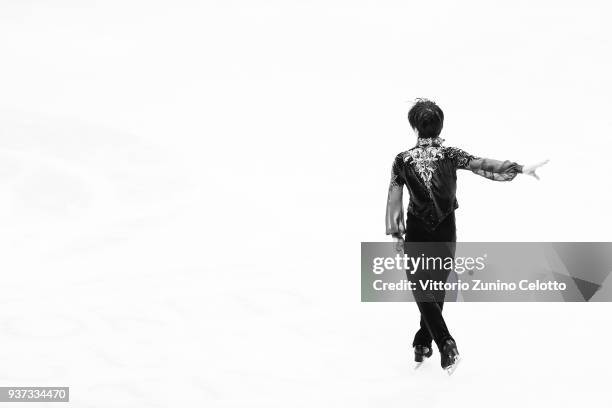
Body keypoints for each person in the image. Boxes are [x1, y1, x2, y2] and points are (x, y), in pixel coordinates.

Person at [385, 99, 547, 374]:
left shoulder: (402, 160)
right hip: (446, 228)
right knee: (437, 287)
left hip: (418, 230)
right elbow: (480, 164)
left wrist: (397, 234)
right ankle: (423, 342)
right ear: (440, 126)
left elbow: (394, 197)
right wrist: (518, 168)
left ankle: (445, 345)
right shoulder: (451, 154)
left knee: (422, 287)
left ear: (415, 127)